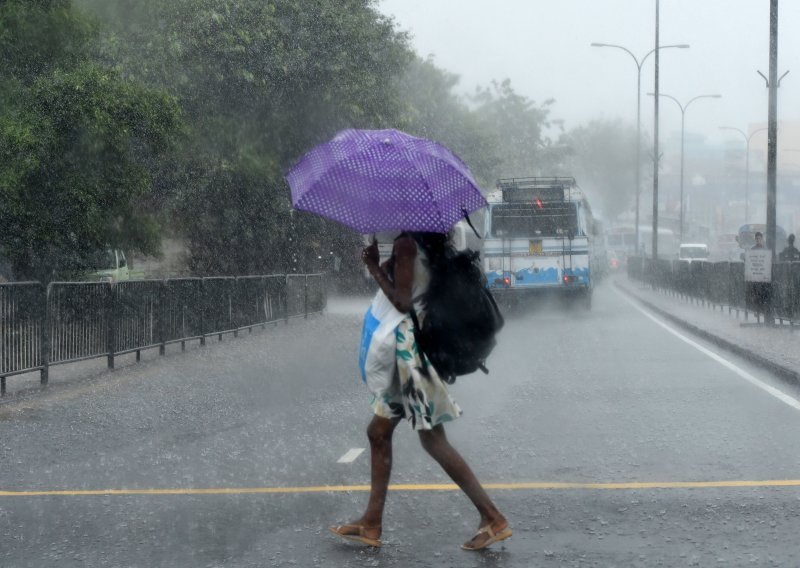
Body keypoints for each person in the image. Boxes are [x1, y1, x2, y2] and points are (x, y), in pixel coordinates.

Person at [329, 231, 511, 551]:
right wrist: (389, 266)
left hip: (408, 357)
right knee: (379, 433)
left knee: (431, 438)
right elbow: (413, 289)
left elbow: (401, 303)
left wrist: (373, 267)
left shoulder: (406, 243)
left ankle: (492, 517)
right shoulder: (427, 244)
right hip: (413, 353)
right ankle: (371, 522)